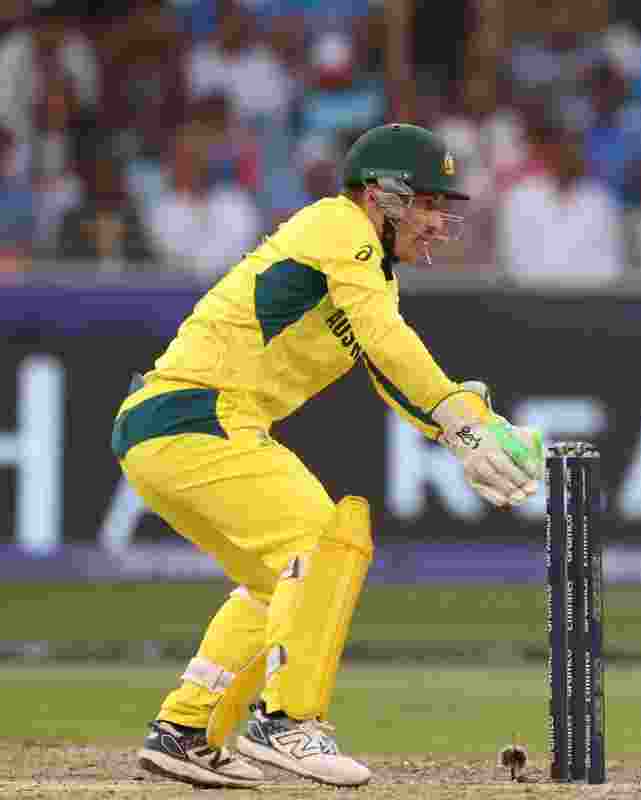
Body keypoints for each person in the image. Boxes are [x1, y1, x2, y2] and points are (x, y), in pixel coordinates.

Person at [116, 123, 544, 789]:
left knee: (277, 584)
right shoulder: (337, 224)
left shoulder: (366, 272)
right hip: (197, 415)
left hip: (176, 426)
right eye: (428, 203)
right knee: (321, 539)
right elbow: (388, 339)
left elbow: (389, 371)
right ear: (382, 196)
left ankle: (187, 730)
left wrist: (472, 426)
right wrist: (462, 428)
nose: (438, 223)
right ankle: (287, 721)